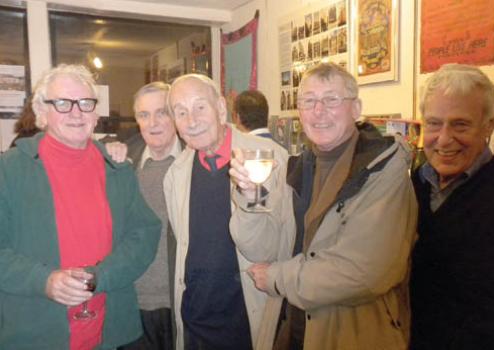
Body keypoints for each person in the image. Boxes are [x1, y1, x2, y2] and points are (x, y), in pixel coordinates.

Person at [229, 62, 417, 350]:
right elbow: (262, 249)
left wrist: (277, 277)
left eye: (331, 99)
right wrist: (251, 197)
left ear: (356, 108)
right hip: (293, 329)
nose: (319, 111)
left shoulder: (383, 169)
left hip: (353, 334)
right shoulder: (295, 168)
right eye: (309, 101)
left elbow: (362, 273)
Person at [0, 64, 161, 349]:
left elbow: (144, 235)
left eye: (85, 103)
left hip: (108, 332)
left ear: (96, 113)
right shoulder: (8, 171)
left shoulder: (117, 168)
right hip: (34, 332)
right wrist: (43, 280)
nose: (76, 113)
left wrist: (102, 277)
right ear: (41, 112)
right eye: (62, 103)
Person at [164, 74, 288, 350]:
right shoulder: (176, 174)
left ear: (221, 108)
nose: (191, 121)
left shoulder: (270, 159)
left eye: (199, 107)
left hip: (246, 320)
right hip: (196, 323)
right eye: (181, 113)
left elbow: (281, 244)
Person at [410, 64, 494, 349]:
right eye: (434, 123)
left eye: (460, 124)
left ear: (490, 124)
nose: (445, 139)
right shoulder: (412, 186)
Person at [117, 82, 181, 350]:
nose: (153, 122)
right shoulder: (121, 164)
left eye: (162, 112)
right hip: (132, 303)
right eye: (144, 115)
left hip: (180, 303)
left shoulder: (196, 161)